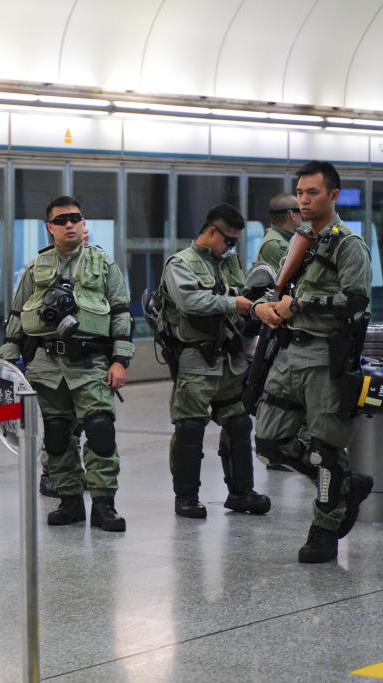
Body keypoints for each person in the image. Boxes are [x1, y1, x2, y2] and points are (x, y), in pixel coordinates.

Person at [253, 160, 373, 564]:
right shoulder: (298, 241)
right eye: (300, 193)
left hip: (325, 357)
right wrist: (267, 308)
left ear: (333, 196)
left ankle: (325, 529)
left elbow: (357, 302)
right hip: (289, 353)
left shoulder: (347, 244)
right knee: (269, 440)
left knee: (326, 448)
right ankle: (344, 485)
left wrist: (299, 304)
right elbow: (279, 290)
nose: (304, 200)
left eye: (313, 193)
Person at [0, 196, 133, 532]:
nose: (69, 224)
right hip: (46, 364)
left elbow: (120, 313)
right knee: (57, 436)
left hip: (91, 363)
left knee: (101, 430)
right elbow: (16, 316)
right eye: (61, 220)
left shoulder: (104, 265)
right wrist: (7, 366)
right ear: (50, 227)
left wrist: (120, 361)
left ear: (84, 222)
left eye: (75, 218)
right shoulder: (35, 267)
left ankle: (104, 505)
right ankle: (70, 501)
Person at [157, 204, 270, 519]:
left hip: (229, 361)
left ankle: (241, 493)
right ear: (210, 231)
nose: (231, 248)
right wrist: (235, 303)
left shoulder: (228, 262)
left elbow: (242, 292)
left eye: (235, 242)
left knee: (238, 424)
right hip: (195, 360)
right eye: (228, 241)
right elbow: (190, 302)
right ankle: (186, 498)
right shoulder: (180, 264)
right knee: (190, 428)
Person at [252, 193, 306, 472]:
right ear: (292, 215)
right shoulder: (276, 244)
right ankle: (280, 450)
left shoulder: (284, 240)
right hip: (277, 321)